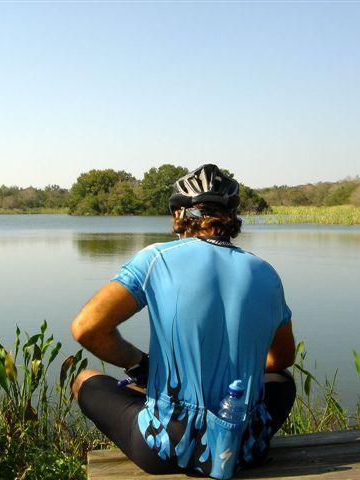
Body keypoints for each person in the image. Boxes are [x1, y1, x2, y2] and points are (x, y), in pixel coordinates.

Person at [70, 164, 296, 480]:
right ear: (231, 216)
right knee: (282, 381)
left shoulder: (155, 260)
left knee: (84, 378)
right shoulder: (265, 273)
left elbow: (86, 328)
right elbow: (282, 359)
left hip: (164, 449)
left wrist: (141, 366)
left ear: (179, 214)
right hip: (244, 447)